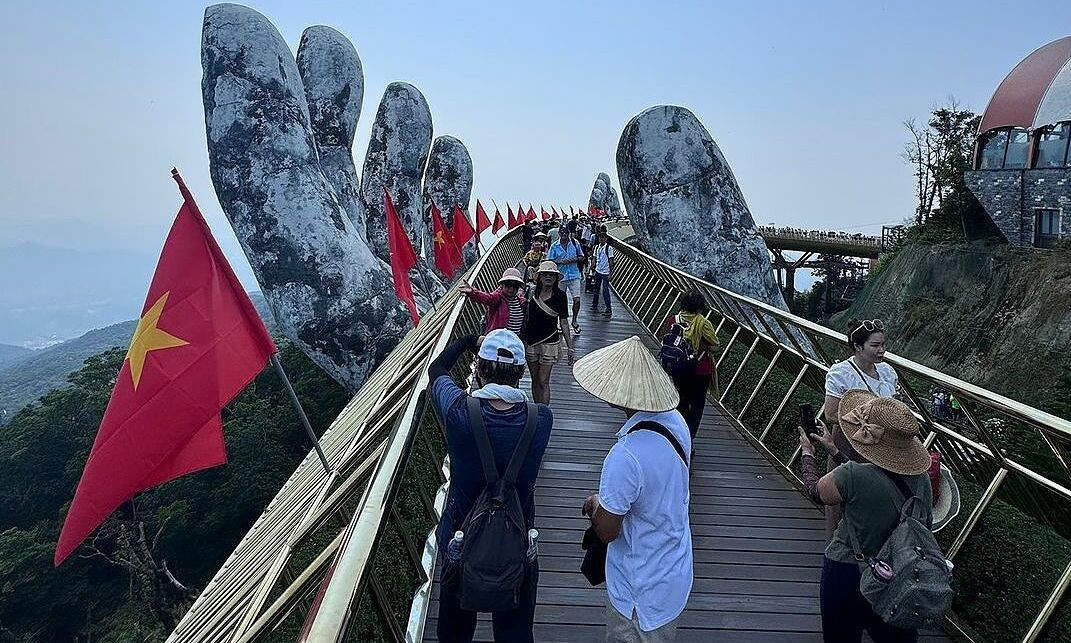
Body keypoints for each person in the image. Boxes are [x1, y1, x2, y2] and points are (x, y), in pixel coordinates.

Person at [429, 329, 553, 643]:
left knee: (454, 632)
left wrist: (469, 342)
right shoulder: (541, 421)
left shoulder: (459, 413)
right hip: (517, 537)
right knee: (515, 632)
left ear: (481, 370)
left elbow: (437, 370)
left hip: (460, 537)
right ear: (522, 373)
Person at [575, 336, 693, 642]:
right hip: (672, 569)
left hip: (639, 591)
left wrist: (595, 503)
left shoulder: (625, 455)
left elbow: (607, 531)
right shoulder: (677, 423)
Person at [799, 391, 934, 643]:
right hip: (898, 574)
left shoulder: (853, 475)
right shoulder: (922, 479)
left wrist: (808, 453)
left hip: (847, 570)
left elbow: (816, 491)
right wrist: (834, 450)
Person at [664, 290, 719, 438]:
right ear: (699, 308)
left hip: (679, 367)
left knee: (681, 400)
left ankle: (679, 433)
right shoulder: (703, 323)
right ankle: (689, 437)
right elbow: (715, 345)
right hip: (700, 369)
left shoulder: (673, 319)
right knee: (697, 404)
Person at [522, 261, 575, 404]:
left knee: (543, 380)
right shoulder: (532, 292)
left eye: (552, 275)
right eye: (545, 274)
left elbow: (563, 321)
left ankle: (543, 412)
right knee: (535, 379)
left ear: (556, 278)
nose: (548, 277)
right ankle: (538, 409)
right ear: (539, 277)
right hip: (531, 341)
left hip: (550, 343)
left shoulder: (560, 296)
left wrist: (570, 347)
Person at [459, 268, 526, 334]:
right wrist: (472, 292)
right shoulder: (498, 298)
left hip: (515, 341)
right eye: (508, 284)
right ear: (502, 285)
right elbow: (487, 298)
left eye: (515, 285)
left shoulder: (521, 302)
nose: (511, 289)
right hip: (497, 340)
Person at [546, 226, 585, 334]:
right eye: (562, 233)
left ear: (569, 233)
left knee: (577, 300)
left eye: (566, 233)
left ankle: (574, 320)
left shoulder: (574, 243)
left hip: (574, 274)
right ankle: (560, 322)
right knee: (560, 301)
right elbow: (549, 261)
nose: (564, 235)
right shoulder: (554, 246)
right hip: (561, 276)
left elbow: (582, 257)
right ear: (559, 233)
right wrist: (560, 261)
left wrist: (574, 259)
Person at [590, 229, 614, 317]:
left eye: (603, 237)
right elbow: (594, 258)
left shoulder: (609, 248)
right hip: (598, 270)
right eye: (600, 237)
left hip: (605, 272)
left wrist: (611, 273)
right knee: (596, 289)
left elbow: (611, 261)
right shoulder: (597, 247)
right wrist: (592, 265)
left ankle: (608, 309)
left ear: (606, 239)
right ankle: (594, 305)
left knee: (605, 290)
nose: (601, 239)